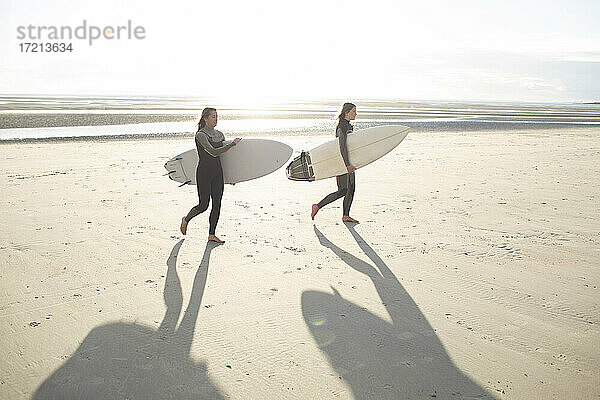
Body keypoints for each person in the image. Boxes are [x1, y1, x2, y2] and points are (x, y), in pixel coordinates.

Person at [180, 107, 241, 243]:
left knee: (217, 203)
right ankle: (186, 219)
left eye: (217, 116)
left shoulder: (219, 134)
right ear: (205, 118)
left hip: (218, 173)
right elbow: (213, 152)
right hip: (204, 173)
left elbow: (224, 157)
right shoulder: (201, 135)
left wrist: (231, 176)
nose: (216, 119)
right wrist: (232, 144)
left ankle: (211, 234)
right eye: (213, 116)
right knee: (203, 205)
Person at [311, 103, 359, 223]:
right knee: (344, 189)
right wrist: (347, 164)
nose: (356, 114)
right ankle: (317, 206)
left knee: (350, 188)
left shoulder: (347, 125)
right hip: (342, 161)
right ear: (346, 112)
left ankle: (345, 215)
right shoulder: (342, 126)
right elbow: (342, 146)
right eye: (354, 111)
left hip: (347, 161)